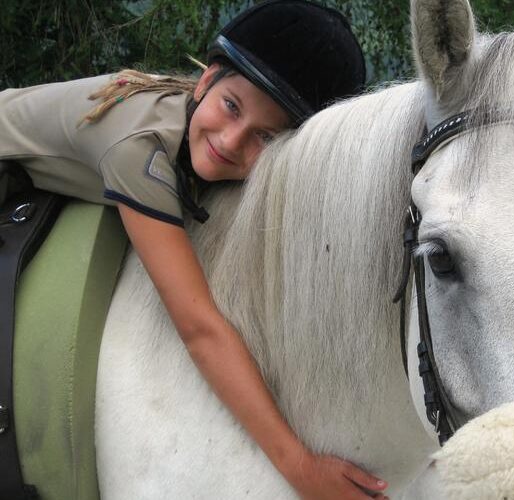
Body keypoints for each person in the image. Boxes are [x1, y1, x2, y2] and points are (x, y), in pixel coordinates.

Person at [0, 1, 389, 498]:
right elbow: (198, 326)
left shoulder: (192, 119)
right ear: (205, 81)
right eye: (232, 106)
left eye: (265, 136)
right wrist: (300, 466)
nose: (231, 140)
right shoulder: (138, 149)